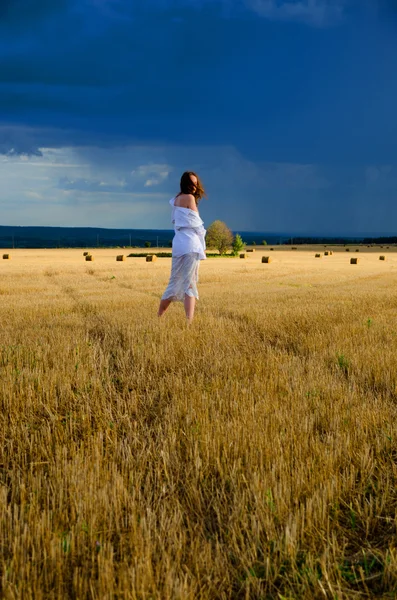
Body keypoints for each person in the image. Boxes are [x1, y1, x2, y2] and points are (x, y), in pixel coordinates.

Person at [158, 171, 207, 324]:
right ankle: (189, 322)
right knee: (190, 284)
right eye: (191, 183)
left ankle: (159, 317)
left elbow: (177, 221)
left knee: (173, 281)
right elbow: (198, 226)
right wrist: (203, 246)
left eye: (196, 183)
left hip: (178, 244)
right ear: (185, 184)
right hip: (191, 245)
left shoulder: (176, 200)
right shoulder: (190, 198)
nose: (194, 186)